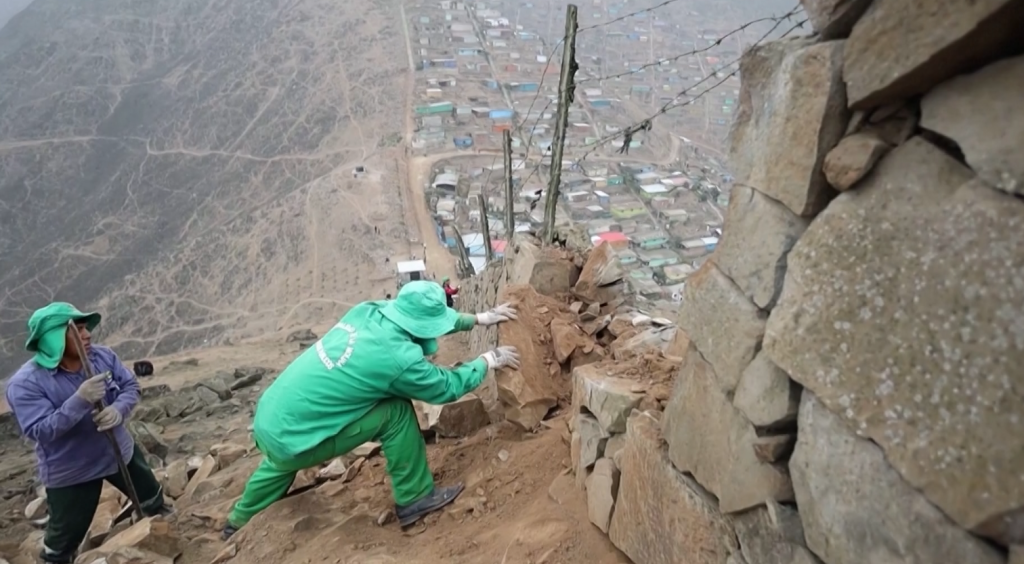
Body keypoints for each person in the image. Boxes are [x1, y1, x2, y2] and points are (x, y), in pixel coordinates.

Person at [222, 281, 520, 538]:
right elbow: (445, 387)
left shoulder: (369, 311)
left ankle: (238, 522)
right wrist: (487, 360)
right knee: (396, 412)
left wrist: (480, 318)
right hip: (292, 440)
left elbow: (424, 316)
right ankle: (415, 498)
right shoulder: (397, 358)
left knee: (282, 453)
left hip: (271, 418)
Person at [5, 303, 169, 564]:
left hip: (118, 451)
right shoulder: (26, 384)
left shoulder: (102, 357)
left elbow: (129, 386)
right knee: (63, 541)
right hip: (72, 470)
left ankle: (164, 536)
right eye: (77, 330)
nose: (87, 334)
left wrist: (118, 409)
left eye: (85, 328)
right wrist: (78, 400)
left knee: (151, 497)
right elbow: (39, 430)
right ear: (53, 338)